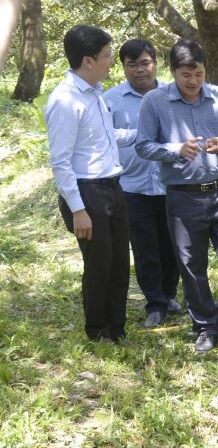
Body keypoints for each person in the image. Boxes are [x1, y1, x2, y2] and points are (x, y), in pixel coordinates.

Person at [135, 39, 218, 353]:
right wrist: (175, 149)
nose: (193, 81)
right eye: (186, 75)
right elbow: (143, 145)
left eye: (199, 74)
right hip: (183, 196)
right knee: (192, 264)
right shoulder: (155, 102)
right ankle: (206, 324)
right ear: (172, 72)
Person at [44, 25, 130, 343]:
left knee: (120, 263)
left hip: (112, 186)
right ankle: (97, 330)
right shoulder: (65, 101)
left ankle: (116, 327)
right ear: (88, 60)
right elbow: (61, 161)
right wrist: (78, 210)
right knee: (99, 265)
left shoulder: (95, 94)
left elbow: (105, 138)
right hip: (87, 192)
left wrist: (143, 135)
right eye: (107, 56)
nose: (111, 61)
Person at [104, 40, 182, 328]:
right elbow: (104, 136)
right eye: (132, 64)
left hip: (171, 183)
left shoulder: (173, 95)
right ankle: (155, 304)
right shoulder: (110, 100)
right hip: (132, 186)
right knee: (145, 248)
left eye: (145, 63)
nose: (140, 70)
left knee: (173, 244)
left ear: (155, 64)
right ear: (123, 67)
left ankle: (169, 294)